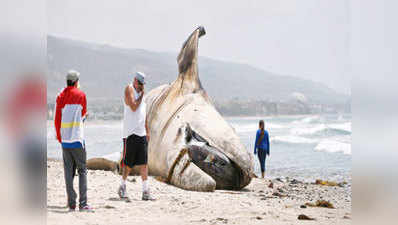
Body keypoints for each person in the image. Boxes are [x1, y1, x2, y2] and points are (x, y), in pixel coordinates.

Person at [54, 70, 93, 212]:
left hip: (65, 141)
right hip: (77, 139)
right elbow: (82, 116)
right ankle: (83, 204)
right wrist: (85, 116)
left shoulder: (60, 96)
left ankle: (71, 203)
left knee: (68, 172)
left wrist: (59, 137)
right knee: (82, 170)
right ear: (76, 81)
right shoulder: (81, 95)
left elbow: (57, 119)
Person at [118, 71, 155, 201]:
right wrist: (141, 95)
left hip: (141, 133)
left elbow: (143, 113)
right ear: (135, 80)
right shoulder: (129, 89)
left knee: (144, 163)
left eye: (142, 84)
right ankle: (122, 186)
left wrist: (147, 131)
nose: (140, 86)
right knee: (128, 164)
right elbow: (133, 106)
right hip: (130, 133)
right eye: (139, 83)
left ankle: (145, 191)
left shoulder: (142, 95)